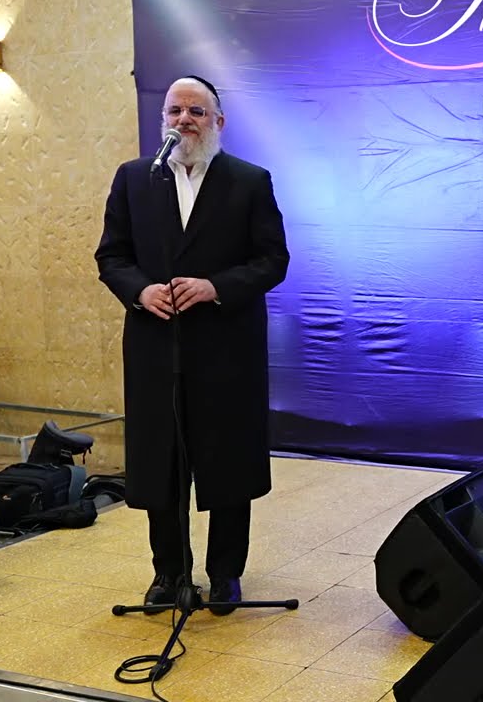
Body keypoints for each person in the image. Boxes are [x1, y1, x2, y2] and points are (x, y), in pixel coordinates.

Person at [95, 76, 289, 614]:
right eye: (175, 111)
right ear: (163, 119)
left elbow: (273, 260)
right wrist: (141, 291)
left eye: (197, 112)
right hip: (156, 348)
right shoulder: (135, 178)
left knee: (228, 463)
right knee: (163, 463)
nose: (184, 120)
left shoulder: (249, 181)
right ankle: (170, 572)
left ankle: (226, 574)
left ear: (218, 122)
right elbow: (112, 256)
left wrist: (215, 286)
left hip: (227, 348)